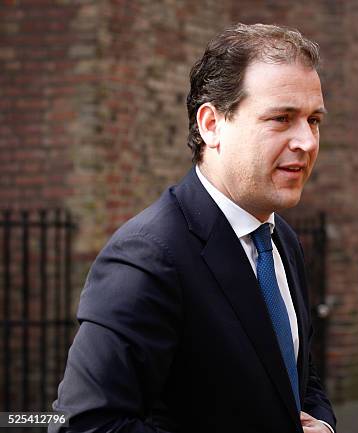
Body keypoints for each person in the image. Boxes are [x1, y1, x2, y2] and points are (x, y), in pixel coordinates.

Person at [51, 23, 335, 433]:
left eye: (314, 120)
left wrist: (323, 424)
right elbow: (84, 424)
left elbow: (298, 377)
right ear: (211, 125)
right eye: (281, 118)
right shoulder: (149, 254)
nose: (306, 142)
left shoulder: (282, 240)